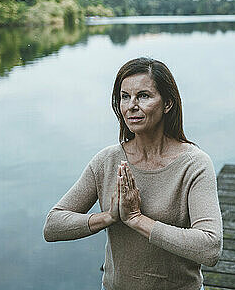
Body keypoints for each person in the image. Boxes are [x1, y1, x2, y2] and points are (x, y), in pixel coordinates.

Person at [43, 57, 223, 290]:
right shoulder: (106, 161)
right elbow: (53, 226)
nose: (131, 106)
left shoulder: (195, 164)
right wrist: (109, 217)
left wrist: (137, 220)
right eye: (125, 97)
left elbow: (209, 248)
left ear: (167, 103)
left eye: (144, 96)